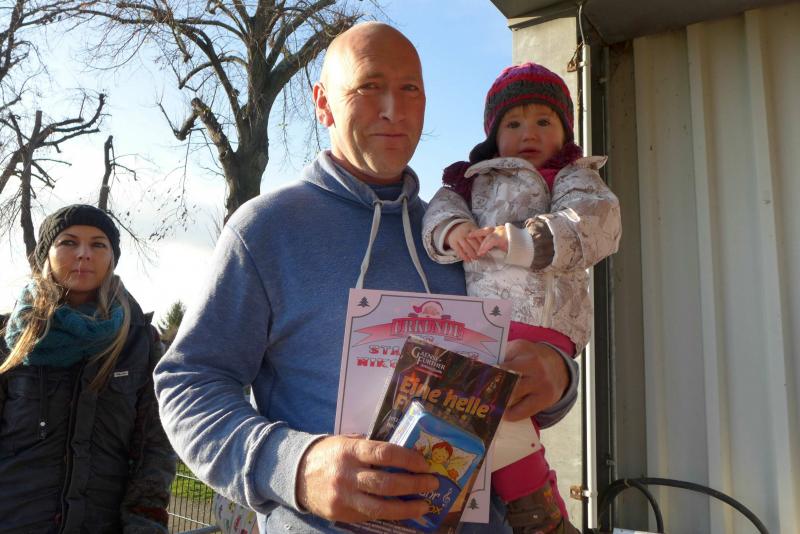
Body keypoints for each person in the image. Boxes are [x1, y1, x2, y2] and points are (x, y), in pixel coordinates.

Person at [153, 22, 579, 533]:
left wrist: (559, 378)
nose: (393, 110)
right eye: (368, 87)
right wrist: (298, 467)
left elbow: (527, 359)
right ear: (323, 103)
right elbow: (189, 385)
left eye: (409, 89)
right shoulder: (266, 231)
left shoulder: (465, 233)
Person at [422, 62, 622, 532]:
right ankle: (540, 514)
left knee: (500, 401)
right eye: (513, 123)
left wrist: (524, 241)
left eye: (543, 121)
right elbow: (439, 208)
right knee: (489, 411)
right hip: (486, 325)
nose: (528, 133)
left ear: (565, 130)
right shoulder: (472, 180)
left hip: (543, 321)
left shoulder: (571, 176)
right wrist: (454, 231)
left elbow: (596, 222)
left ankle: (537, 512)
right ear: (494, 134)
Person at [0, 204, 176, 533]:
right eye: (68, 242)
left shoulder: (140, 343)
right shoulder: (10, 340)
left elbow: (155, 448)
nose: (84, 254)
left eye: (98, 244)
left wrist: (145, 524)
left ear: (111, 258)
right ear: (46, 255)